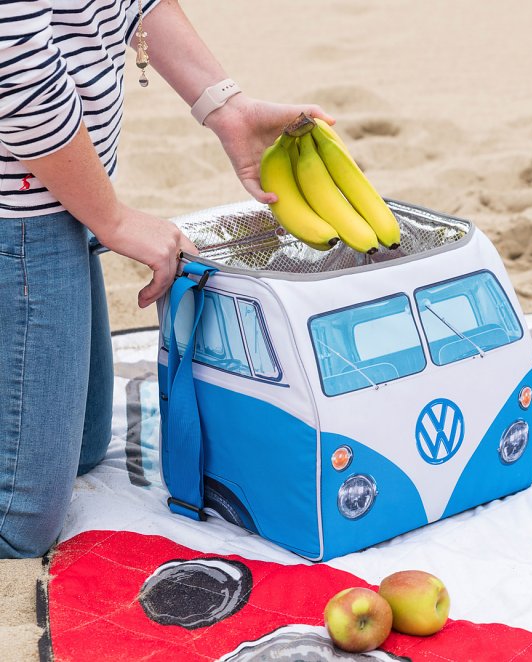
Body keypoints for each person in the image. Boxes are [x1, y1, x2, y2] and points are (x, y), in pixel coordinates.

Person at [0, 0, 333, 559]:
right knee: (21, 521)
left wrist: (227, 106)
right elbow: (16, 69)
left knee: (83, 448)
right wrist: (114, 219)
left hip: (65, 195)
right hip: (22, 213)